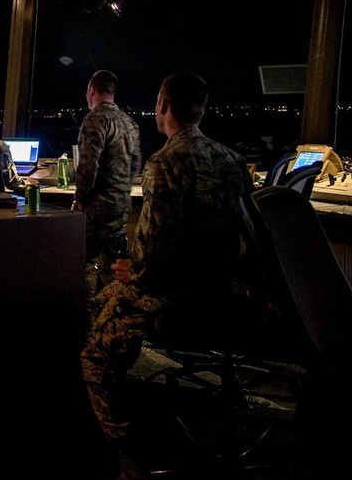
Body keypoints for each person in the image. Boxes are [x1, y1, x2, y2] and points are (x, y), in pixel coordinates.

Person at [79, 73, 253, 478]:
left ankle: (132, 458)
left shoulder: (166, 163)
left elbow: (155, 258)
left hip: (174, 295)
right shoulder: (233, 161)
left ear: (162, 105)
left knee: (92, 354)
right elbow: (244, 241)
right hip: (222, 293)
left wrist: (132, 269)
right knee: (108, 297)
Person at [73, 70, 142, 319]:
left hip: (96, 210)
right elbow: (135, 166)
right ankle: (113, 320)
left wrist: (80, 198)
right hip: (121, 208)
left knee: (82, 266)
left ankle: (86, 323)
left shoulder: (95, 119)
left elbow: (88, 167)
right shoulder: (129, 122)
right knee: (114, 269)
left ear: (92, 90)